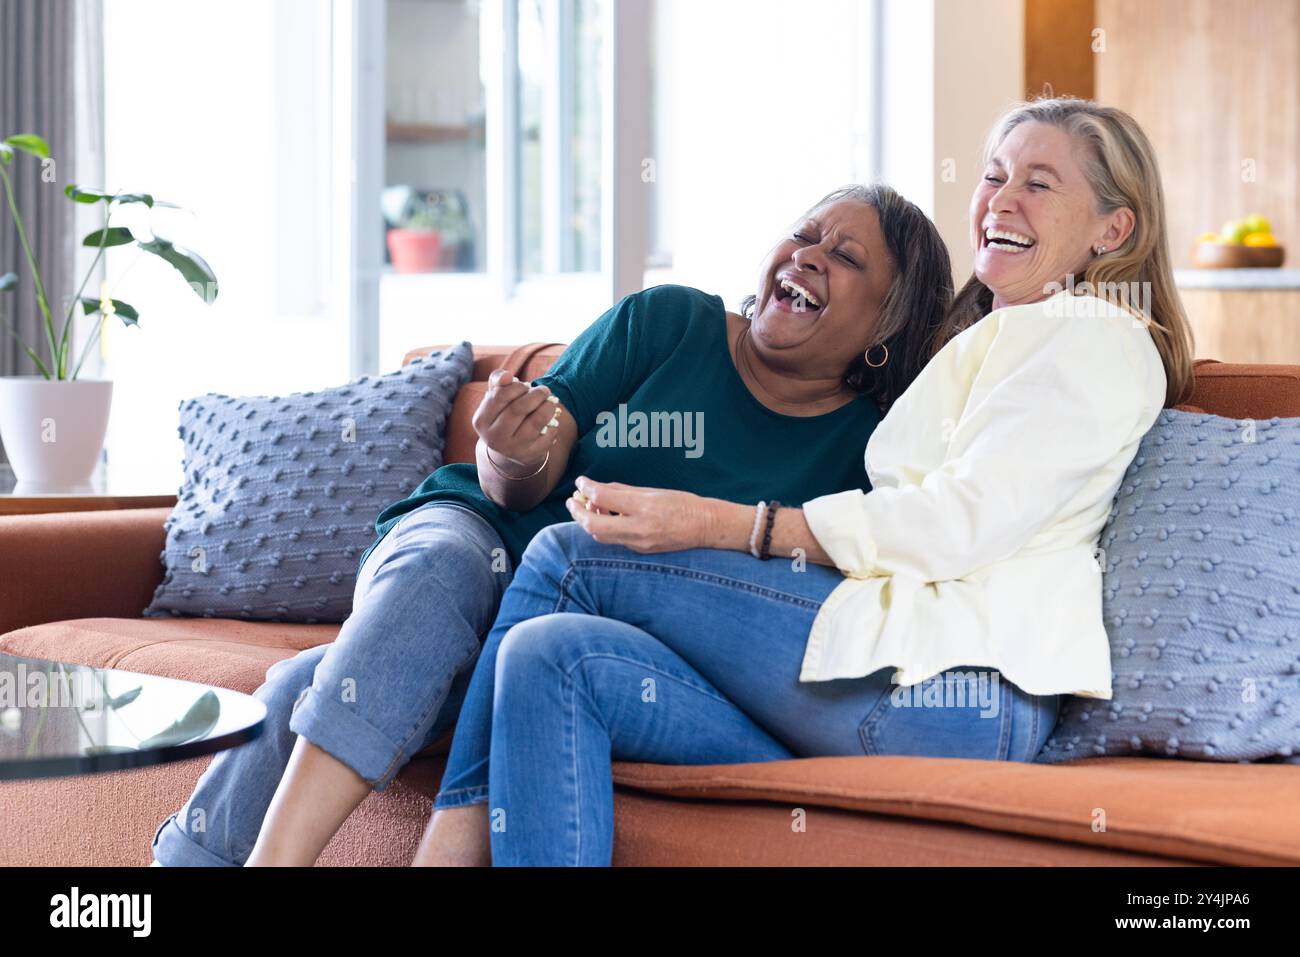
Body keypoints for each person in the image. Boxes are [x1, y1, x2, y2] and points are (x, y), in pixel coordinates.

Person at [422, 97, 1196, 866]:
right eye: (994, 175)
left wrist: (729, 524)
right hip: (877, 677)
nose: (1002, 198)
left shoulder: (1097, 337)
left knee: (568, 556)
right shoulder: (1002, 338)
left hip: (955, 684)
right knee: (552, 655)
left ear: (1112, 228)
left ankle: (441, 856)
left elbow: (958, 521)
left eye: (1039, 182)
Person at [150, 183, 956, 866]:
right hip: (477, 537)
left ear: (888, 325)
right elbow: (523, 470)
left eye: (846, 257)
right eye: (805, 233)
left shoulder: (871, 451)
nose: (809, 254)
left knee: (302, 685)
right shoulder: (669, 323)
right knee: (444, 572)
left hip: (572, 632)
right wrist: (508, 447)